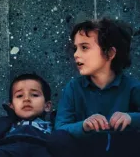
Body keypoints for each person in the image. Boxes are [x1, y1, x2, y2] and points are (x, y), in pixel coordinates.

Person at [55, 18, 140, 156]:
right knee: (57, 140)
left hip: (122, 150)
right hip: (86, 150)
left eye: (84, 47)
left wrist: (131, 118)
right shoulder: (73, 87)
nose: (76, 54)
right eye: (75, 48)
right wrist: (84, 126)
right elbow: (60, 128)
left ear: (110, 53)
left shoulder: (132, 87)